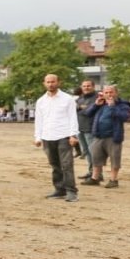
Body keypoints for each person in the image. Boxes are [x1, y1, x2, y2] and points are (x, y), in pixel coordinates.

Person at [33, 74, 80, 202]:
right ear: (44, 83)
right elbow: (39, 120)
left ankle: (71, 191)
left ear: (58, 82)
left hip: (64, 135)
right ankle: (60, 189)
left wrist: (73, 135)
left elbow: (72, 117)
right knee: (54, 164)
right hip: (47, 136)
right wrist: (38, 137)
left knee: (67, 164)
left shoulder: (67, 99)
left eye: (53, 82)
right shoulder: (41, 101)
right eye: (48, 82)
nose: (50, 84)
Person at [82, 85, 130, 188]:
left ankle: (113, 180)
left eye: (111, 92)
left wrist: (112, 106)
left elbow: (124, 117)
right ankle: (95, 178)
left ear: (116, 93)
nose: (109, 95)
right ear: (103, 94)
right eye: (106, 93)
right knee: (96, 158)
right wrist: (95, 105)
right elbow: (87, 113)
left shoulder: (122, 105)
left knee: (115, 159)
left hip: (113, 137)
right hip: (98, 136)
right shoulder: (100, 104)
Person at [74, 80, 98, 180]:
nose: (86, 88)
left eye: (88, 86)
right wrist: (81, 108)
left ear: (93, 86)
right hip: (80, 128)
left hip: (91, 128)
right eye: (84, 86)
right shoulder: (80, 98)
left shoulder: (96, 97)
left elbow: (90, 111)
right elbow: (75, 110)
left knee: (93, 152)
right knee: (86, 152)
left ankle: (97, 174)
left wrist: (80, 108)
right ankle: (90, 171)